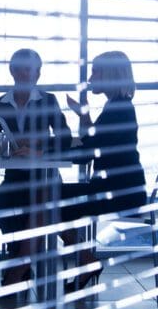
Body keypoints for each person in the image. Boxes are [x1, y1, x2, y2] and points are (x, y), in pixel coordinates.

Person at [59, 51, 147, 290]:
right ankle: (86, 260)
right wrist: (85, 115)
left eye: (96, 71)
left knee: (49, 200)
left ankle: (87, 261)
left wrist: (46, 153)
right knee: (52, 197)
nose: (91, 76)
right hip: (120, 188)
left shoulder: (117, 109)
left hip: (118, 193)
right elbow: (95, 142)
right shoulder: (118, 106)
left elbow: (87, 152)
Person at [0, 49, 72, 286]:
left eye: (32, 69)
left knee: (32, 208)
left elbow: (65, 138)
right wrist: (7, 147)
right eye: (22, 69)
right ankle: (21, 257)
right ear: (12, 71)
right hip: (15, 175)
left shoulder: (48, 100)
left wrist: (38, 148)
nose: (27, 74)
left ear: (38, 73)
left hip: (44, 175)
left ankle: (20, 264)